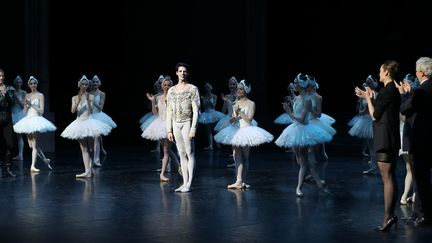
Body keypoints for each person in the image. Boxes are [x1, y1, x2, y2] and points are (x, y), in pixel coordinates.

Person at [355, 60, 401, 232]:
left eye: (381, 71)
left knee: (387, 177)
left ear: (387, 72)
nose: (379, 74)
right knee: (389, 177)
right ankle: (389, 216)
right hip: (388, 137)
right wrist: (370, 95)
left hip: (386, 138)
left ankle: (388, 217)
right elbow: (383, 105)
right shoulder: (389, 91)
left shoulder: (388, 91)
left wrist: (368, 98)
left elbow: (375, 115)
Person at [275, 73, 331, 197]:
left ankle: (299, 187)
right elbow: (297, 112)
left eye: (296, 83)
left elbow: (302, 119)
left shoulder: (307, 100)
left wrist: (289, 112)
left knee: (303, 161)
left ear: (302, 85)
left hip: (303, 130)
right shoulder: (299, 98)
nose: (294, 85)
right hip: (294, 129)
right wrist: (290, 104)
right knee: (301, 161)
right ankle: (319, 183)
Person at [214, 80, 273, 189]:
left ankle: (242, 181)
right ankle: (238, 181)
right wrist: (233, 117)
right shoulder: (236, 102)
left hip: (246, 130)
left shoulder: (251, 103)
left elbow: (249, 119)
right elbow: (233, 120)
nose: (238, 90)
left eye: (240, 89)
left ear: (245, 90)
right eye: (238, 89)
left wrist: (239, 111)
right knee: (237, 156)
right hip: (236, 130)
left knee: (245, 157)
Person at [400, 57, 432, 226]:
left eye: (416, 70)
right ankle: (420, 213)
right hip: (429, 138)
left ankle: (424, 215)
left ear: (420, 72)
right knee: (425, 177)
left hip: (421, 140)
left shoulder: (421, 90)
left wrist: (406, 94)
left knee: (421, 179)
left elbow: (405, 109)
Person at [61, 75, 112, 178]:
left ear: (88, 86)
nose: (84, 86)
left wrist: (88, 100)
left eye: (86, 84)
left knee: (91, 149)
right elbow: (72, 111)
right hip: (79, 123)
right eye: (82, 84)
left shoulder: (91, 96)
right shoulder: (75, 97)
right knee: (84, 148)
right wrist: (79, 99)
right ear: (79, 85)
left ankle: (91, 167)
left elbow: (91, 111)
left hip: (89, 122)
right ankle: (87, 171)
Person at [166, 63, 200, 193]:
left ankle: (189, 182)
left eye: (184, 71)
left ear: (187, 73)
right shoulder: (172, 90)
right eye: (180, 71)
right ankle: (184, 182)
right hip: (176, 123)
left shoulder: (192, 89)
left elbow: (196, 111)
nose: (182, 73)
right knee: (181, 153)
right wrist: (169, 129)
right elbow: (169, 110)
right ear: (176, 73)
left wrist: (193, 128)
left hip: (187, 121)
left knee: (190, 152)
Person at [13, 76, 56, 172]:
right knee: (31, 145)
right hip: (28, 119)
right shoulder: (27, 95)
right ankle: (45, 160)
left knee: (35, 143)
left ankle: (32, 166)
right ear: (28, 85)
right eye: (31, 83)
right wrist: (26, 105)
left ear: (37, 84)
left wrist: (31, 105)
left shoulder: (40, 95)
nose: (33, 85)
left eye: (34, 83)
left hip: (36, 119)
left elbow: (41, 111)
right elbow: (24, 110)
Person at [142, 76, 180, 181]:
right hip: (160, 124)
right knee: (167, 150)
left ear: (171, 86)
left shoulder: (174, 97)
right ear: (162, 86)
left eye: (168, 85)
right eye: (165, 85)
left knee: (167, 150)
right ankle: (177, 169)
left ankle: (165, 173)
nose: (166, 87)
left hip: (170, 124)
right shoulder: (158, 97)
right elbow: (154, 113)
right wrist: (152, 101)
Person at [396, 74, 419, 206]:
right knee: (410, 167)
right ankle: (408, 195)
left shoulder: (410, 99)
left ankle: (411, 194)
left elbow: (405, 118)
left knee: (412, 168)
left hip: (409, 135)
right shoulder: (406, 99)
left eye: (405, 83)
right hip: (403, 136)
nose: (403, 85)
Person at [349, 75, 378, 174]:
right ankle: (374, 164)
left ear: (373, 84)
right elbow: (360, 111)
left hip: (374, 121)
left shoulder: (376, 95)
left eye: (369, 83)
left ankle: (375, 163)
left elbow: (377, 111)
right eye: (366, 82)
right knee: (370, 145)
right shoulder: (363, 96)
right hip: (366, 121)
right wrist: (365, 109)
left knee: (375, 145)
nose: (367, 84)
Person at [90, 75, 117, 166]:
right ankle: (101, 148)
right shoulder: (88, 93)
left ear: (99, 83)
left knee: (97, 136)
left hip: (98, 115)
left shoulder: (102, 94)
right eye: (94, 81)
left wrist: (93, 102)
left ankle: (96, 160)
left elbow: (101, 108)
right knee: (93, 137)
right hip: (90, 116)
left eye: (97, 82)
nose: (95, 83)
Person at [0, 68, 18, 178]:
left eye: (2, 75)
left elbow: (12, 103)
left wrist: (6, 94)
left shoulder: (9, 88)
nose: (1, 77)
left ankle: (8, 168)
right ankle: (1, 168)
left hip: (7, 117)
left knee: (10, 143)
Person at [198, 82, 224, 150]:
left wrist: (209, 101)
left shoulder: (214, 96)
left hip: (213, 113)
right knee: (208, 130)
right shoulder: (204, 96)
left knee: (215, 129)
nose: (207, 89)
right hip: (206, 113)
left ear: (211, 88)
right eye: (206, 88)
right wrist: (204, 100)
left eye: (208, 87)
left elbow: (214, 105)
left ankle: (217, 143)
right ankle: (210, 145)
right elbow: (203, 106)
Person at [11, 75, 27, 161]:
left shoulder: (24, 92)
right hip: (14, 114)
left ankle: (23, 154)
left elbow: (23, 106)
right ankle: (20, 155)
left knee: (27, 136)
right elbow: (11, 104)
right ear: (15, 83)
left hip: (21, 115)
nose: (18, 84)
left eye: (20, 82)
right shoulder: (12, 92)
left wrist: (17, 98)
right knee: (18, 136)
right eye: (17, 82)